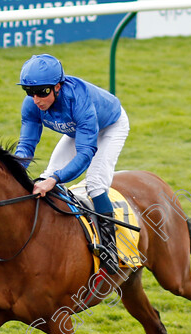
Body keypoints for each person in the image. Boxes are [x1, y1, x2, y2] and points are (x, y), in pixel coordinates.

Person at [14, 54, 130, 273]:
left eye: (43, 92)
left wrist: (55, 180)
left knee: (94, 183)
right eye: (30, 92)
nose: (36, 99)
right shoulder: (32, 106)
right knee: (46, 175)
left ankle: (110, 250)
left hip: (110, 126)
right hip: (79, 129)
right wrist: (14, 171)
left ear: (58, 87)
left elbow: (86, 153)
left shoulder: (78, 99)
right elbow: (26, 146)